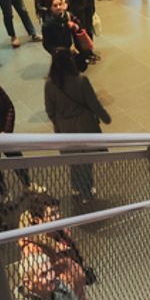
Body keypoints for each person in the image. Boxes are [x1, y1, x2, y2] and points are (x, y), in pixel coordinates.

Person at [44, 50, 111, 203]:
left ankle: (76, 186)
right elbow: (93, 104)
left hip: (64, 129)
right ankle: (86, 191)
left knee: (73, 159)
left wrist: (59, 123)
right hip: (84, 125)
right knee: (86, 160)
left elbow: (49, 110)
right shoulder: (81, 80)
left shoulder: (49, 85)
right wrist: (105, 117)